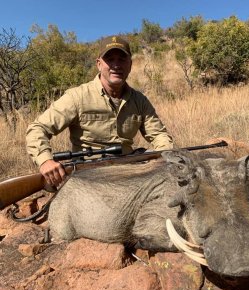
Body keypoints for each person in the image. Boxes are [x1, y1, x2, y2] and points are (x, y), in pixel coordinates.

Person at [26, 35, 173, 187]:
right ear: (98, 64)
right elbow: (37, 128)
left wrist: (163, 156)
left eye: (122, 59)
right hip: (87, 175)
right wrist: (45, 160)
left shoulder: (140, 101)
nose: (116, 65)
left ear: (130, 64)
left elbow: (159, 135)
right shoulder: (77, 96)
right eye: (110, 59)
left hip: (129, 171)